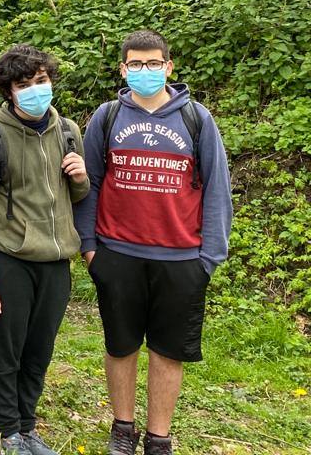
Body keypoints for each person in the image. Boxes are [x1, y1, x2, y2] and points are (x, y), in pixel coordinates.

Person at [75, 30, 232, 455]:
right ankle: (122, 430)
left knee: (168, 351)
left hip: (181, 257)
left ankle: (159, 437)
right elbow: (89, 183)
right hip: (116, 253)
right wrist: (90, 248)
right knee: (120, 346)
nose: (145, 70)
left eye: (153, 63)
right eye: (136, 64)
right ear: (123, 69)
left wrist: (209, 257)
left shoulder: (196, 118)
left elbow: (217, 187)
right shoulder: (107, 116)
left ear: (169, 66)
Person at [0, 45, 89, 455]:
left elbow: (77, 196)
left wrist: (81, 178)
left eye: (41, 81)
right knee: (5, 354)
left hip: (57, 260)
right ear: (9, 92)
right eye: (24, 85)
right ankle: (7, 432)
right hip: (10, 260)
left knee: (38, 352)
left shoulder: (69, 131)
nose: (35, 90)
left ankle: (27, 427)